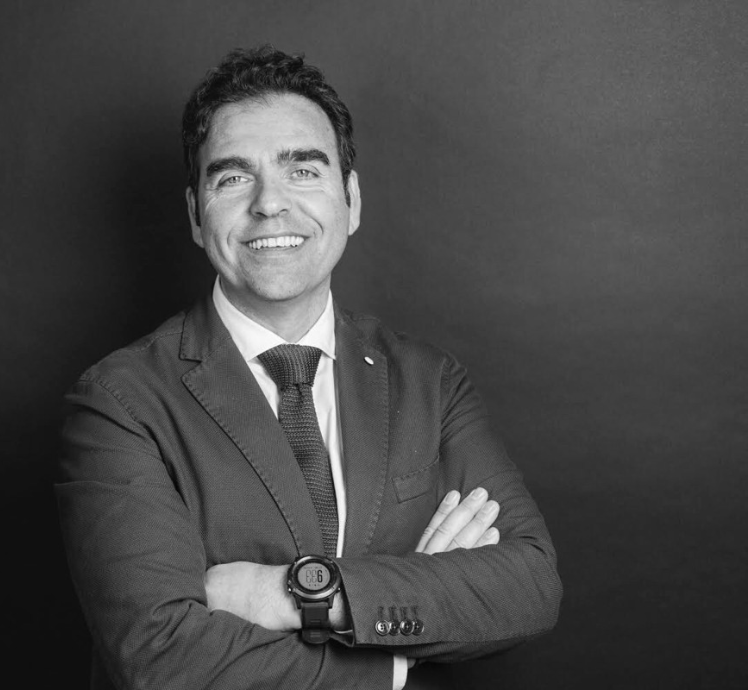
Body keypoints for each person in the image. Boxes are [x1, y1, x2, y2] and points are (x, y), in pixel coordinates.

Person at [56, 46, 562, 689]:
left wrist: (294, 593)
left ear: (351, 200)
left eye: (302, 170)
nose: (270, 203)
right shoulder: (119, 402)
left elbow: (528, 586)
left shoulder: (430, 381)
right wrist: (396, 654)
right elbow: (162, 656)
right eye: (233, 178)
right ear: (195, 216)